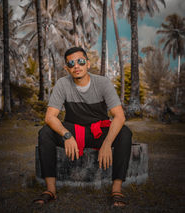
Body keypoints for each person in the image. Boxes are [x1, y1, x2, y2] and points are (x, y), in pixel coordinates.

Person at [33, 47, 132, 208]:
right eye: (71, 63)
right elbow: (50, 117)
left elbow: (119, 116)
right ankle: (50, 190)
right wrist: (67, 135)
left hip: (98, 132)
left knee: (125, 133)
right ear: (67, 68)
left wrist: (107, 143)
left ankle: (116, 190)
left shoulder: (103, 83)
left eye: (80, 61)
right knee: (45, 132)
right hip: (74, 131)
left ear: (88, 63)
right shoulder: (62, 84)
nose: (76, 66)